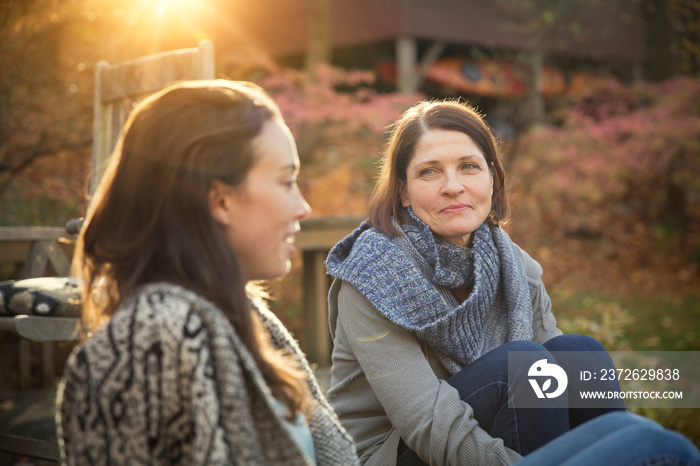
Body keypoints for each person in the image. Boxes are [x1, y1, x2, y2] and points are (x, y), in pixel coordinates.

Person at [325, 99, 700, 466]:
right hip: (395, 451)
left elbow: (561, 383)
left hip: (490, 427)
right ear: (404, 191)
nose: (453, 186)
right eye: (429, 172)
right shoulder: (372, 276)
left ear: (492, 178)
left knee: (577, 354)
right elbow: (426, 423)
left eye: (469, 167)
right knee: (522, 367)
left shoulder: (515, 267)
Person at [56, 80, 358, 466]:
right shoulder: (147, 343)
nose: (304, 208)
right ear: (220, 200)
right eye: (286, 181)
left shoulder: (241, 315)